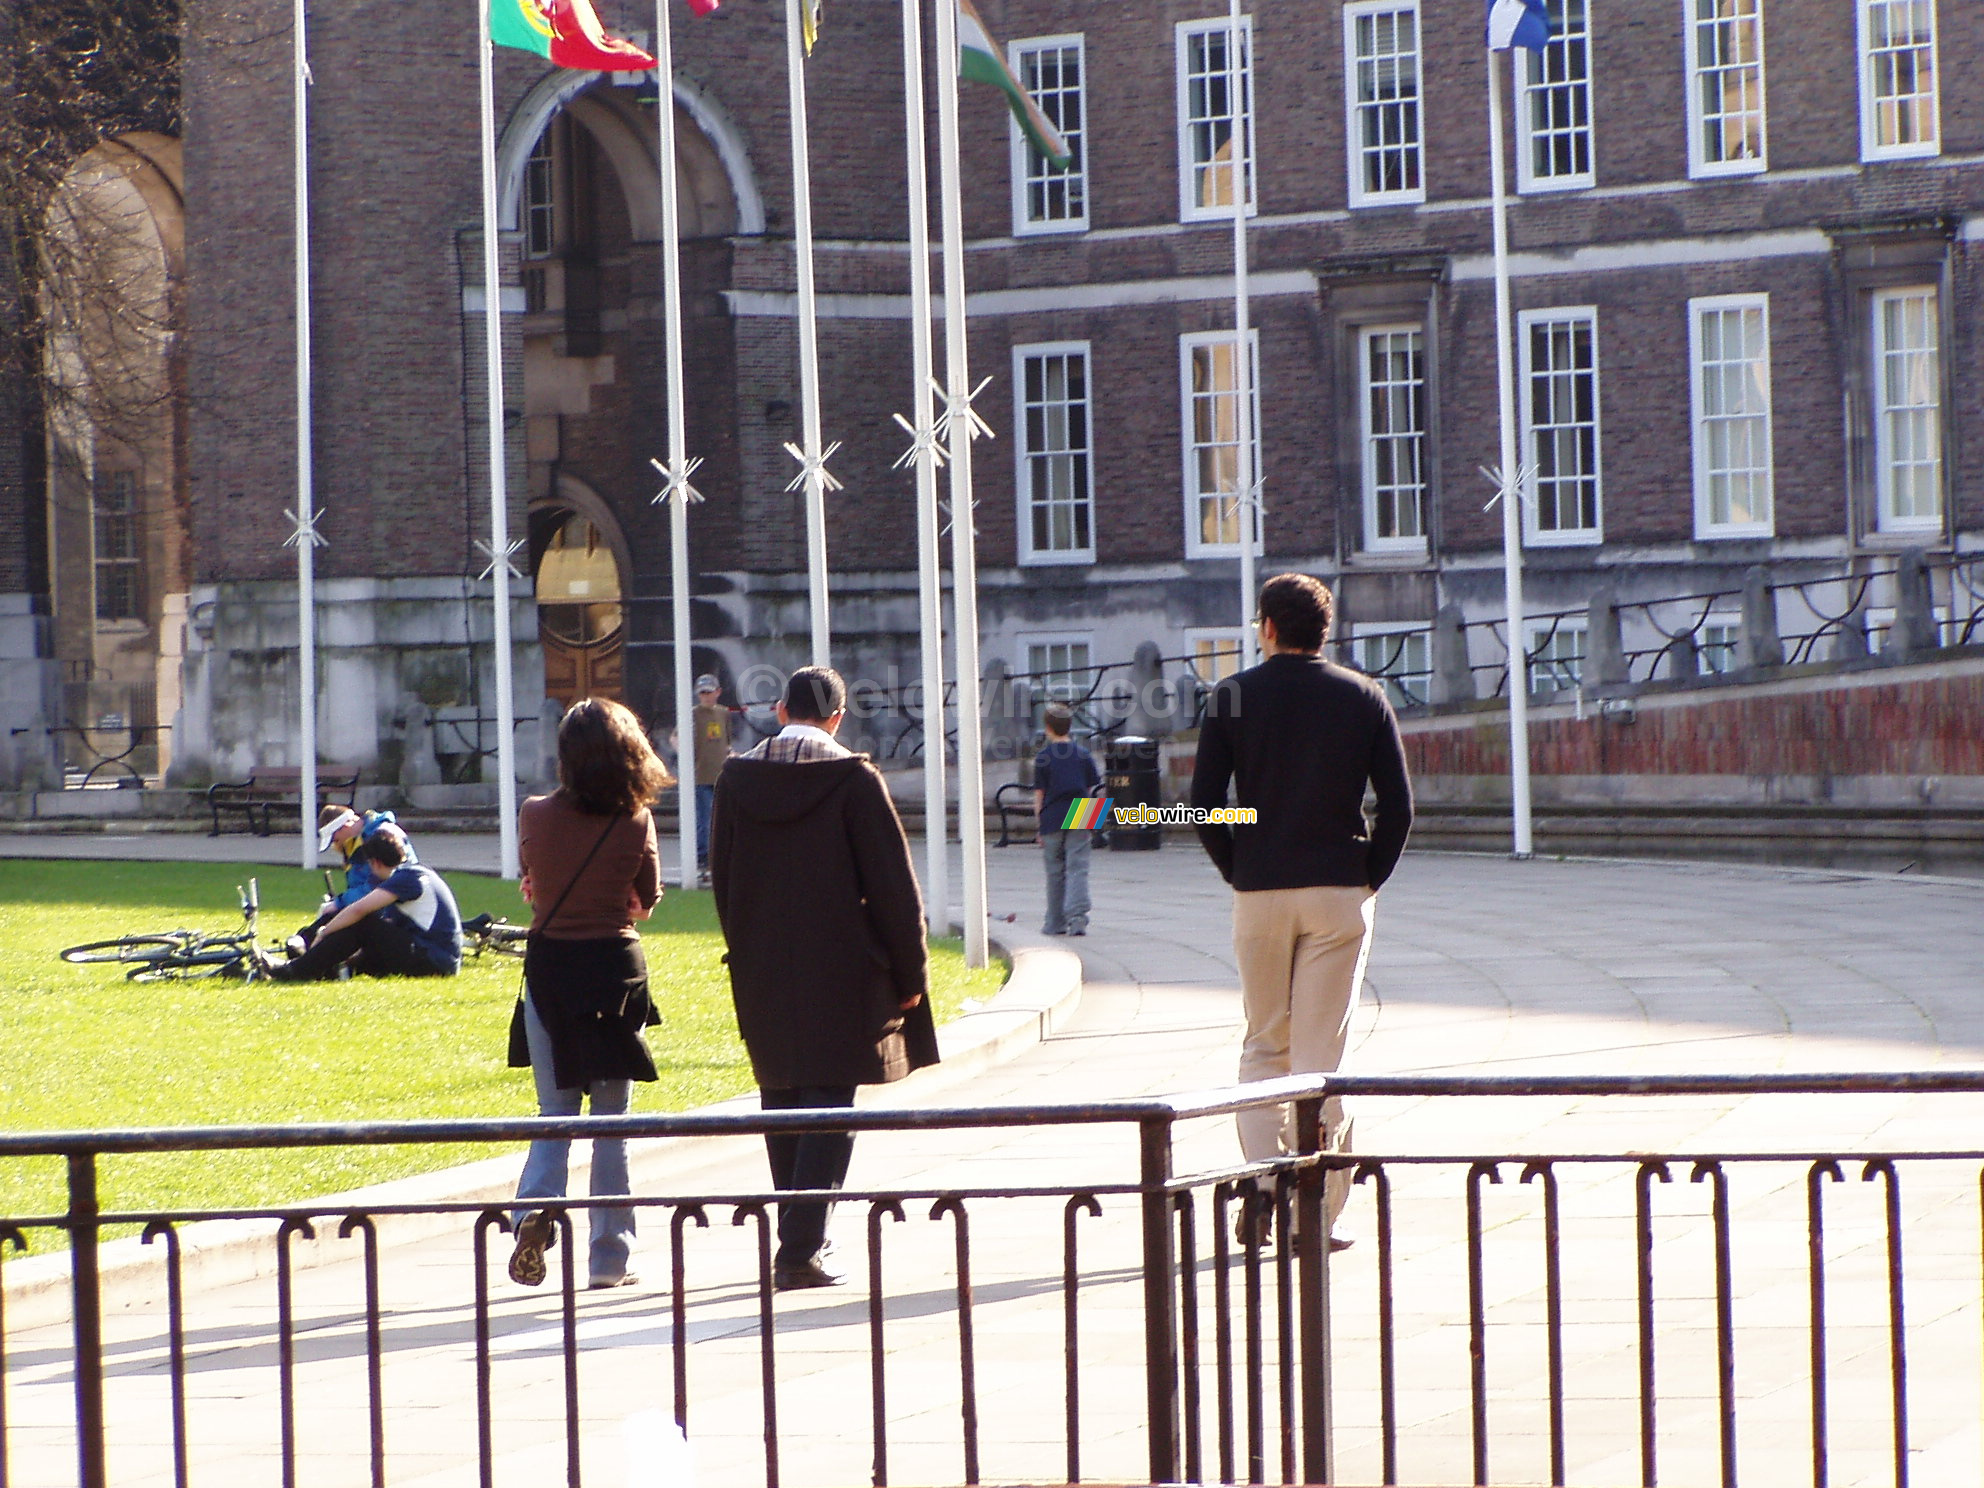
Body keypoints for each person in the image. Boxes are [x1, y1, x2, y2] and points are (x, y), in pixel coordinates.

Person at [1188, 573, 1413, 1251]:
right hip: (1337, 888)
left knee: (1264, 1046)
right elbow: (1398, 809)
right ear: (1326, 630)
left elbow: (1203, 804)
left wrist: (1241, 866)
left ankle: (1259, 1191)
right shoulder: (1363, 696)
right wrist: (1366, 878)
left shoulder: (1232, 696)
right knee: (1322, 1059)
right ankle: (1315, 1212)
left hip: (1260, 890)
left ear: (1266, 628)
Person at [710, 665, 939, 1291]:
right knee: (830, 1104)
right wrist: (911, 970)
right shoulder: (853, 778)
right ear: (836, 718)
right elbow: (893, 885)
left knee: (781, 1096)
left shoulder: (736, 778)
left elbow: (722, 877)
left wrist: (747, 945)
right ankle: (801, 1247)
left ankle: (797, 1234)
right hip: (842, 966)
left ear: (780, 711)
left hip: (762, 964)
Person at [506, 697, 668, 1292]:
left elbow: (534, 885)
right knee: (611, 1123)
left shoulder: (535, 813)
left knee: (554, 1116)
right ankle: (609, 1257)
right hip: (614, 973)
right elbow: (643, 900)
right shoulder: (636, 821)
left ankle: (533, 1214)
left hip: (551, 971)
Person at [265, 830, 463, 982]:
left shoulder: (407, 878)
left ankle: (295, 969)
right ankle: (311, 961)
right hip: (433, 955)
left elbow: (359, 910)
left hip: (436, 960)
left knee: (362, 923)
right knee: (360, 942)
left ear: (375, 862)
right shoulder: (413, 873)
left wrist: (324, 932)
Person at [1033, 701, 1101, 937]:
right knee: (1078, 867)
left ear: (1048, 728)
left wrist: (1039, 826)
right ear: (1070, 727)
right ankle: (1078, 918)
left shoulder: (1043, 757)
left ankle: (1054, 922)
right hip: (1082, 810)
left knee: (1054, 871)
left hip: (1052, 813)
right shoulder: (1083, 755)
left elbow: (1039, 795)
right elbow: (1093, 788)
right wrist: (1095, 820)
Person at [690, 673, 733, 880]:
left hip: (720, 774)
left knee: (721, 817)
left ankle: (718, 857)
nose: (706, 697)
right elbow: (677, 738)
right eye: (703, 693)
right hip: (701, 775)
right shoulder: (693, 714)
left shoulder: (724, 713)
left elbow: (727, 742)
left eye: (709, 692)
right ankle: (703, 859)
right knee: (705, 819)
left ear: (718, 692)